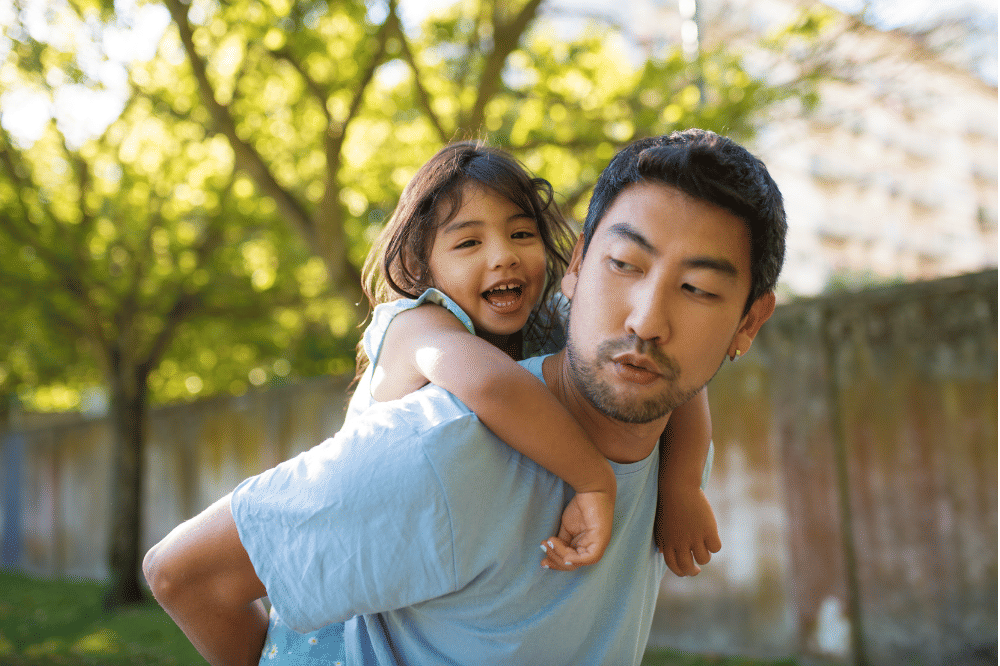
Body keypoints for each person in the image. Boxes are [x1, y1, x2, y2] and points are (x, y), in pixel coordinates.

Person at [143, 128, 786, 666]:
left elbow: (683, 397)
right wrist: (593, 482)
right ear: (582, 265)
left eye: (699, 289)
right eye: (625, 265)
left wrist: (681, 488)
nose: (646, 323)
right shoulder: (428, 370)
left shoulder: (630, 378)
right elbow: (182, 573)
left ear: (747, 324)